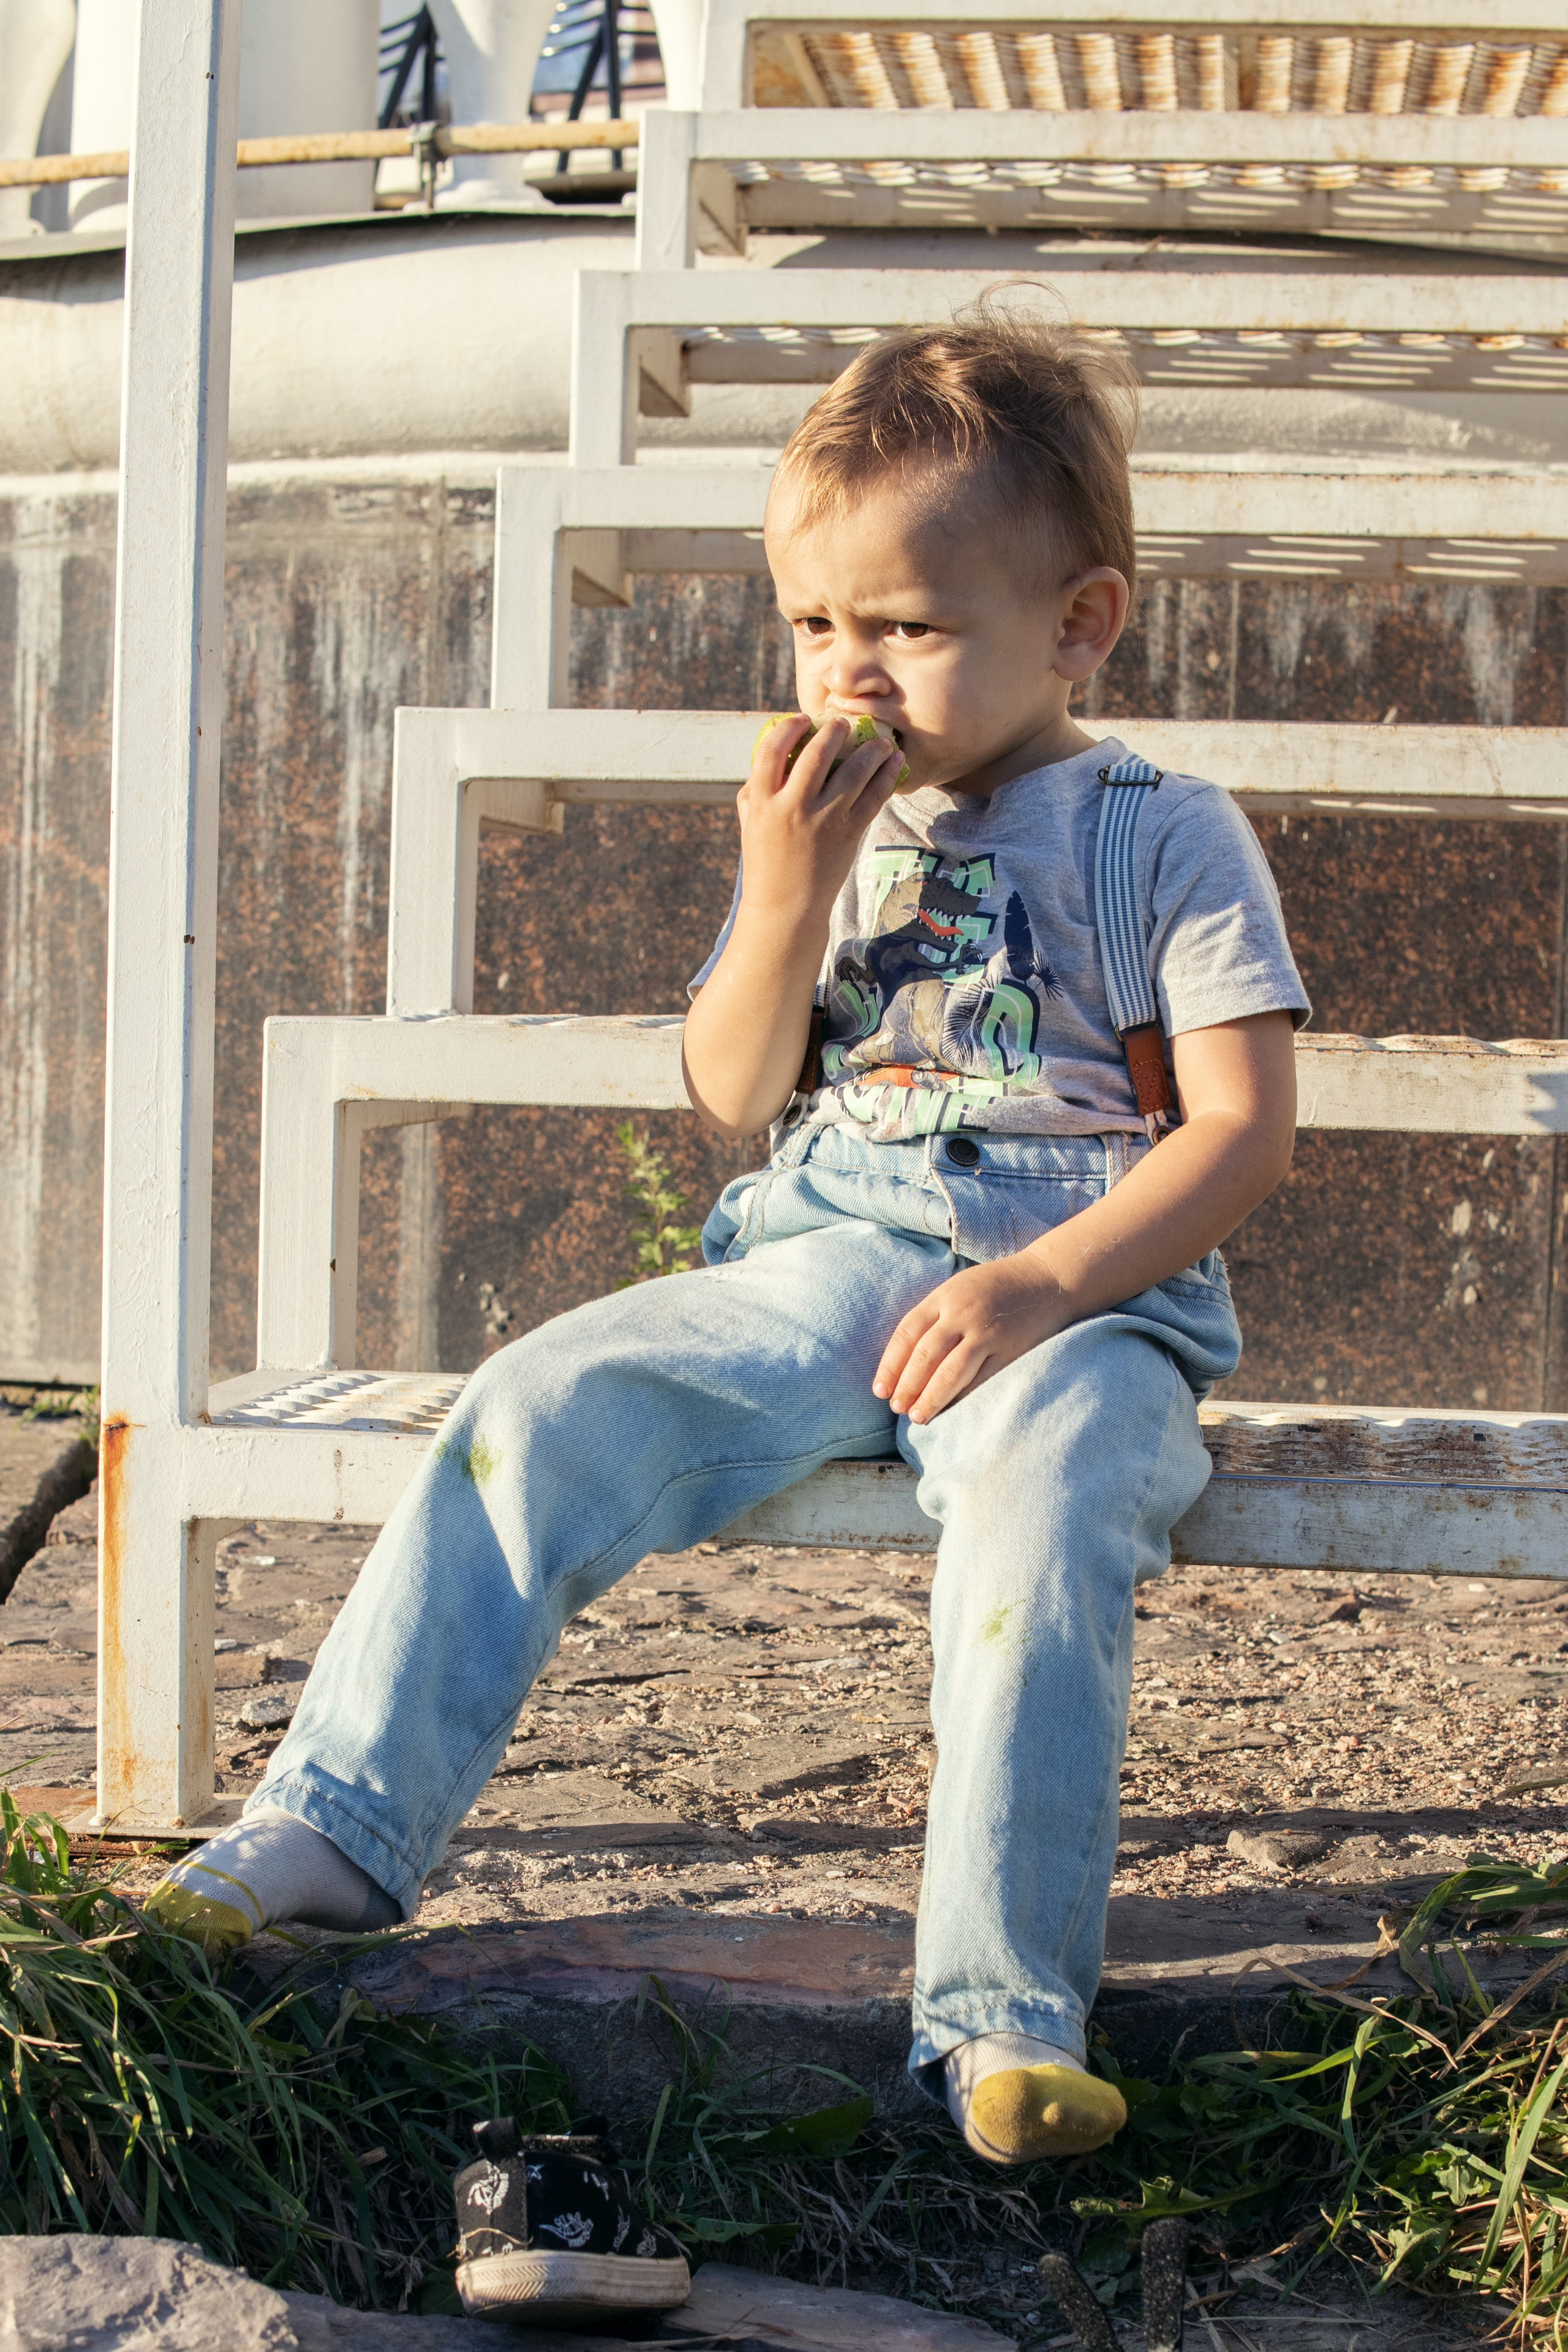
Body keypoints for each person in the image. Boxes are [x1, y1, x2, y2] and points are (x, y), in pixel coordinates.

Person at [148, 304, 1308, 2173]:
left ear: (1081, 622)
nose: (852, 675)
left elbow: (1244, 1129)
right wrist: (784, 892)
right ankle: (343, 1822)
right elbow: (732, 1086)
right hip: (835, 1250)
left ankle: (1002, 2013)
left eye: (908, 628)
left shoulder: (1163, 831)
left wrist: (1040, 1287)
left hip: (1081, 1287)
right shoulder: (829, 825)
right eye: (816, 625)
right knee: (547, 1398)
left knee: (1049, 1511)